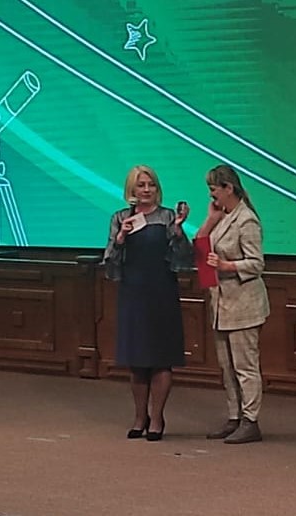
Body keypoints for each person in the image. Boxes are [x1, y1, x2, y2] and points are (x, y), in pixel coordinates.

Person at [103, 165, 192, 441]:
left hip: (161, 292)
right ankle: (139, 417)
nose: (146, 190)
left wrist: (179, 231)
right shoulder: (120, 217)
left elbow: (183, 257)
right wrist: (121, 237)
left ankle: (157, 418)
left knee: (161, 358)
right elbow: (110, 260)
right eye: (141, 185)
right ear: (131, 189)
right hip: (133, 293)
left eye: (151, 184)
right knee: (137, 359)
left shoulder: (167, 217)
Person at [196, 164, 270, 444]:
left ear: (229, 188)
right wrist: (210, 219)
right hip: (221, 305)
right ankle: (234, 416)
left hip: (244, 304)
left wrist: (227, 265)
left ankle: (251, 420)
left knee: (244, 366)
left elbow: (256, 264)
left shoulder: (246, 220)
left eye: (214, 189)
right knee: (227, 366)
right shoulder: (223, 217)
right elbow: (201, 247)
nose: (211, 195)